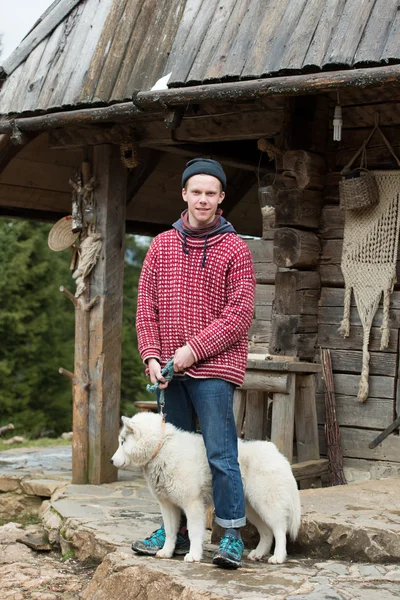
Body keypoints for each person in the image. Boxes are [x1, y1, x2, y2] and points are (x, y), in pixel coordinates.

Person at [132, 158, 256, 569]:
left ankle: (231, 533)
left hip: (215, 371)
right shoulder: (161, 246)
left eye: (211, 193)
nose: (203, 199)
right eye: (196, 191)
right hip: (169, 371)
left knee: (221, 455)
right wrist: (151, 355)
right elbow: (144, 309)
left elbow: (238, 316)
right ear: (184, 194)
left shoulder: (234, 248)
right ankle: (179, 534)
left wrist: (192, 351)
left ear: (221, 199)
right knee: (173, 457)